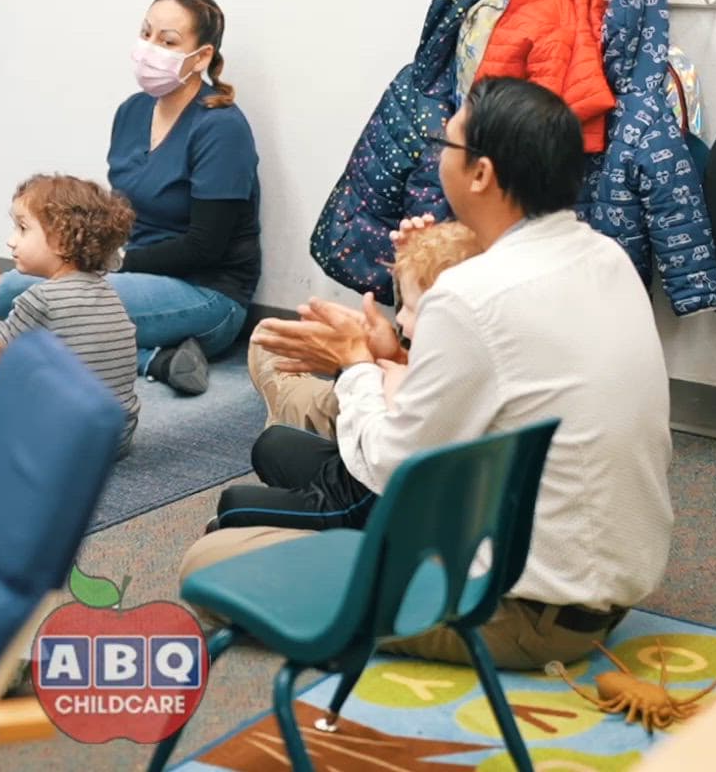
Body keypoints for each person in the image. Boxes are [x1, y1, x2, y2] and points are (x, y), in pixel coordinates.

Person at [184, 77, 675, 669]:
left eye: (446, 146)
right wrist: (388, 351)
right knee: (319, 441)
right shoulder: (605, 256)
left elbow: (390, 466)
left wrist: (358, 362)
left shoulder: (474, 294)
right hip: (600, 585)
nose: (437, 157)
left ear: (481, 175)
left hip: (521, 615)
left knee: (207, 563)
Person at [0, 0, 262, 397]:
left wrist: (105, 263)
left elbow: (206, 247)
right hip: (131, 274)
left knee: (22, 293)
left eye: (168, 42)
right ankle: (154, 359)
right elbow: (117, 215)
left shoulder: (221, 127)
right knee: (38, 297)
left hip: (208, 295)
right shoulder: (133, 111)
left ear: (201, 57)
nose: (151, 49)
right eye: (146, 34)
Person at [211, 221, 480, 533]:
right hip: (357, 469)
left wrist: (359, 365)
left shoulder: (437, 382)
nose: (401, 320)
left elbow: (383, 456)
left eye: (409, 308)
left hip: (369, 497)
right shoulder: (447, 355)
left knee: (234, 504)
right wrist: (383, 355)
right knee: (273, 444)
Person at [0, 174, 141, 457]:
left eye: (22, 228)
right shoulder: (108, 292)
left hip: (62, 443)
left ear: (61, 241)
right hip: (115, 438)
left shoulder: (41, 298)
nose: (10, 241)